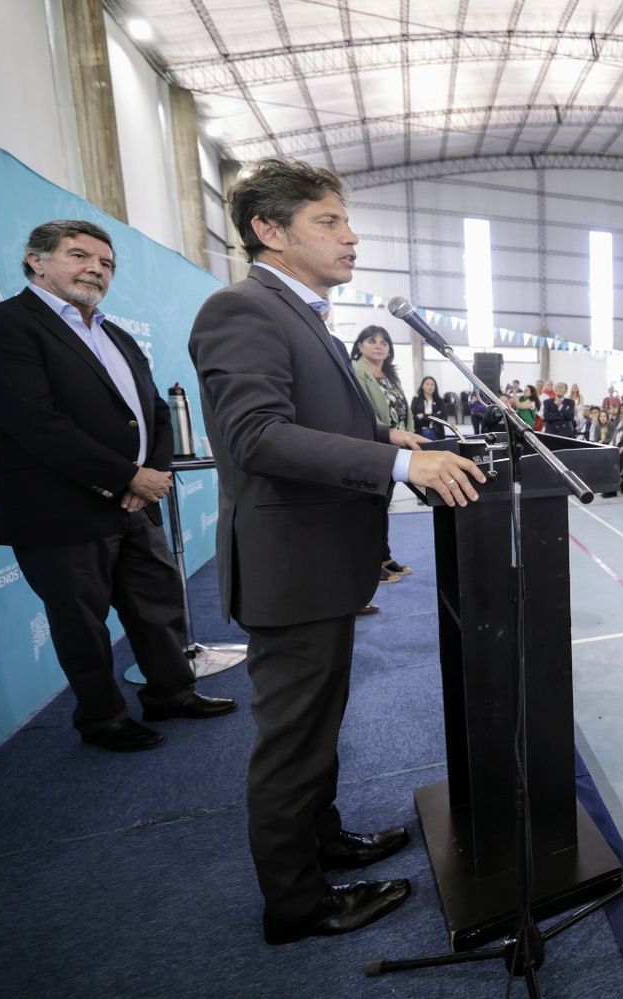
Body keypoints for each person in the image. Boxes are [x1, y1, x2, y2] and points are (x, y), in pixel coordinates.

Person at [189, 157, 485, 944]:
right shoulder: (241, 310)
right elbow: (257, 435)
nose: (350, 237)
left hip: (321, 564)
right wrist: (398, 464)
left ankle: (323, 842)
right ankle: (296, 903)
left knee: (320, 726)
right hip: (293, 569)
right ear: (269, 231)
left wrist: (383, 432)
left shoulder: (301, 314)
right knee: (292, 743)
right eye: (328, 222)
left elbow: (304, 415)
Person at [0, 218, 236, 751]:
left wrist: (155, 472)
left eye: (105, 263)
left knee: (157, 603)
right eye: (79, 256)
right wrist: (127, 476)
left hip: (135, 503)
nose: (95, 270)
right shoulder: (5, 325)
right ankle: (102, 719)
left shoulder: (114, 332)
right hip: (60, 511)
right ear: (36, 260)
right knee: (82, 625)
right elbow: (34, 422)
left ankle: (171, 692)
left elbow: (154, 412)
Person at [350, 326, 413, 582]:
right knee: (368, 510)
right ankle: (369, 564)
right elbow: (362, 413)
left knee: (382, 506)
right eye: (372, 341)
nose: (379, 345)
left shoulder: (390, 375)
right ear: (360, 346)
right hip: (373, 445)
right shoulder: (355, 372)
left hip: (395, 448)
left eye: (384, 342)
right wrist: (388, 434)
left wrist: (408, 437)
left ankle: (384, 556)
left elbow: (404, 411)